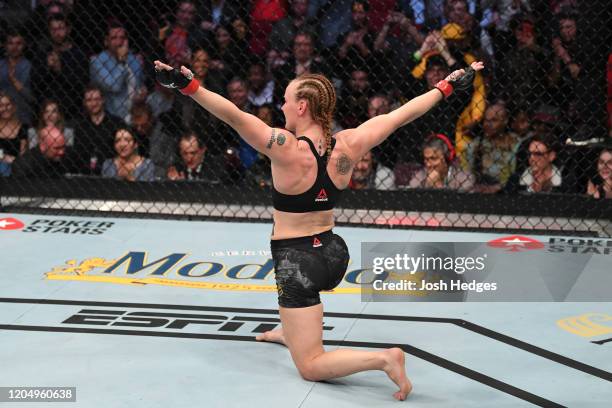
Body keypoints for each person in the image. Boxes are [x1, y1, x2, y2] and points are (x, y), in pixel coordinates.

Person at [154, 57, 483, 400]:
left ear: (302, 105)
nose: (280, 105)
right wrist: (444, 88)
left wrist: (189, 86)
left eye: (285, 99)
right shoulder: (351, 143)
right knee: (300, 311)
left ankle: (385, 359)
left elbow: (234, 116)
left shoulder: (286, 149)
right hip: (334, 254)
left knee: (310, 364)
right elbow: (402, 115)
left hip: (298, 264)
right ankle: (291, 330)